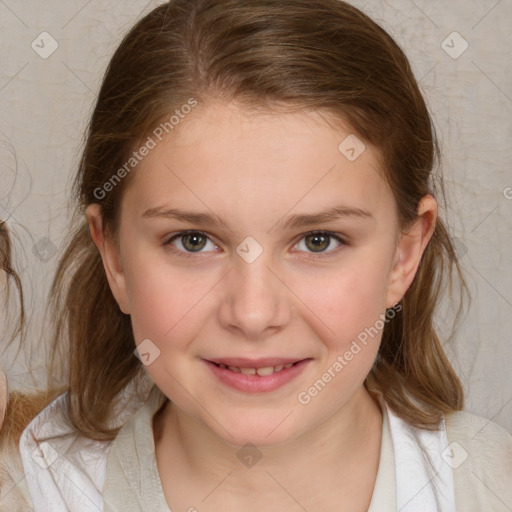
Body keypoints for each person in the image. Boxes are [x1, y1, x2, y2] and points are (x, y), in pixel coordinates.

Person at [13, 0, 512, 511]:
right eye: (193, 240)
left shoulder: (492, 486)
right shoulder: (31, 489)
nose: (253, 314)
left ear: (404, 255)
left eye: (318, 240)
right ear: (115, 257)